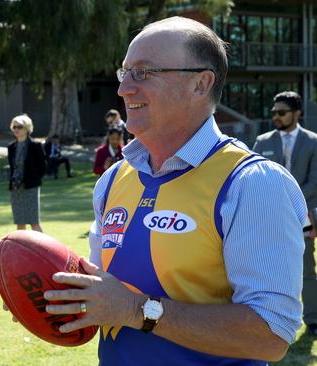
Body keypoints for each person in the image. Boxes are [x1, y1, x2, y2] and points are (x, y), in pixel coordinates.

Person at [43, 16, 306, 365]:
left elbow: (271, 335)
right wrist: (51, 297)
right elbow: (105, 293)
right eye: (125, 72)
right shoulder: (113, 179)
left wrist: (137, 310)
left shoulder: (253, 182)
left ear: (200, 83)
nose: (124, 89)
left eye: (145, 72)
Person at [253, 91, 317, 336]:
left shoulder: (313, 142)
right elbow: (254, 178)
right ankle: (269, 319)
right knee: (267, 267)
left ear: (297, 113)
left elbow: (315, 182)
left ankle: (312, 318)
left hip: (302, 217)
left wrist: (289, 201)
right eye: (273, 112)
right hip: (269, 217)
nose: (276, 117)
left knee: (307, 268)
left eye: (281, 112)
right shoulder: (262, 141)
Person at [7, 114, 46, 232]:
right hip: (15, 188)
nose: (16, 129)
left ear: (27, 128)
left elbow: (42, 167)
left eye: (19, 127)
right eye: (14, 127)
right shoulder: (11, 147)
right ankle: (22, 250)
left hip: (31, 187)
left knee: (34, 222)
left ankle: (43, 249)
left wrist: (33, 179)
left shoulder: (35, 145)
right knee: (20, 223)